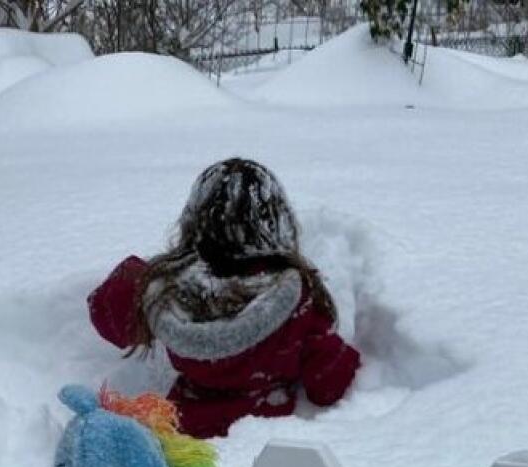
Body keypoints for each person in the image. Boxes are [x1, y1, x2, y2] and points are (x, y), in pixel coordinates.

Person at [88, 158, 361, 438]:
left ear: (194, 221)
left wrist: (147, 277)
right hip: (263, 437)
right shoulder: (294, 300)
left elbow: (105, 312)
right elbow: (328, 385)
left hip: (182, 437)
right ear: (276, 224)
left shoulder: (172, 291)